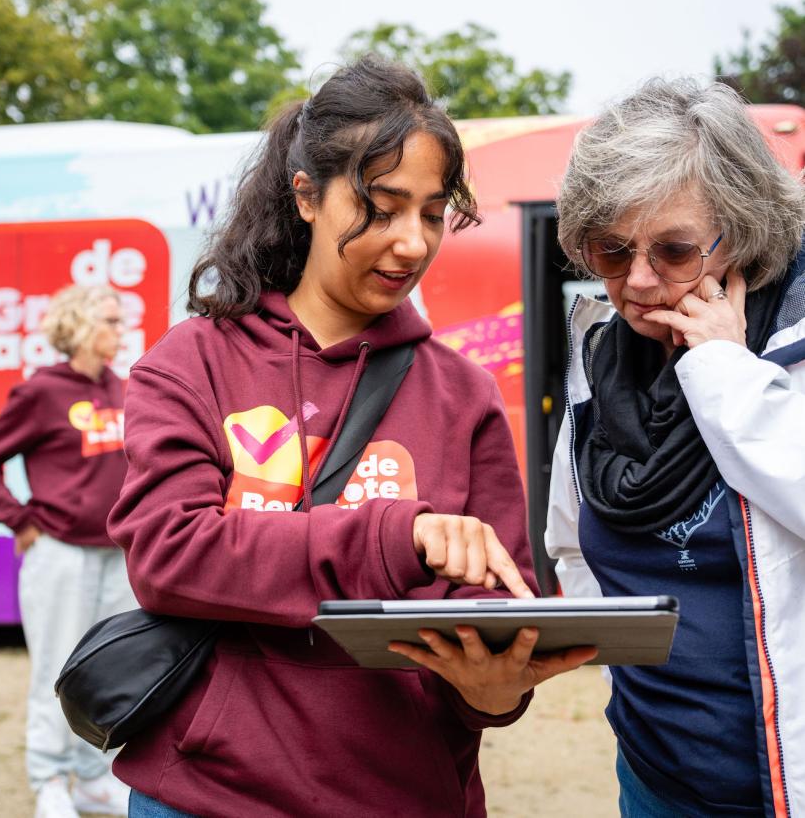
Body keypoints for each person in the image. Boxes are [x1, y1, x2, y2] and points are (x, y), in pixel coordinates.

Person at [106, 56, 596, 818]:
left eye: (432, 213)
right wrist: (397, 538)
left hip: (406, 797)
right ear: (306, 195)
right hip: (209, 797)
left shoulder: (461, 394)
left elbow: (496, 608)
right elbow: (169, 556)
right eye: (383, 206)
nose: (411, 243)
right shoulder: (192, 363)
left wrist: (494, 693)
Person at [546, 76, 805, 817]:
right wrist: (632, 686)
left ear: (744, 230)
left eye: (675, 251)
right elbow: (571, 546)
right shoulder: (603, 361)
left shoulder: (790, 347)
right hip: (654, 776)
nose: (638, 282)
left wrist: (724, 370)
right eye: (611, 248)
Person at [0, 284, 136, 818]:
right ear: (80, 324)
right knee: (55, 666)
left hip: (117, 554)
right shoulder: (42, 391)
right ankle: (49, 779)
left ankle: (94, 780)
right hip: (60, 554)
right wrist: (18, 519)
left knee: (108, 670)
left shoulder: (124, 388)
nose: (121, 332)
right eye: (112, 321)